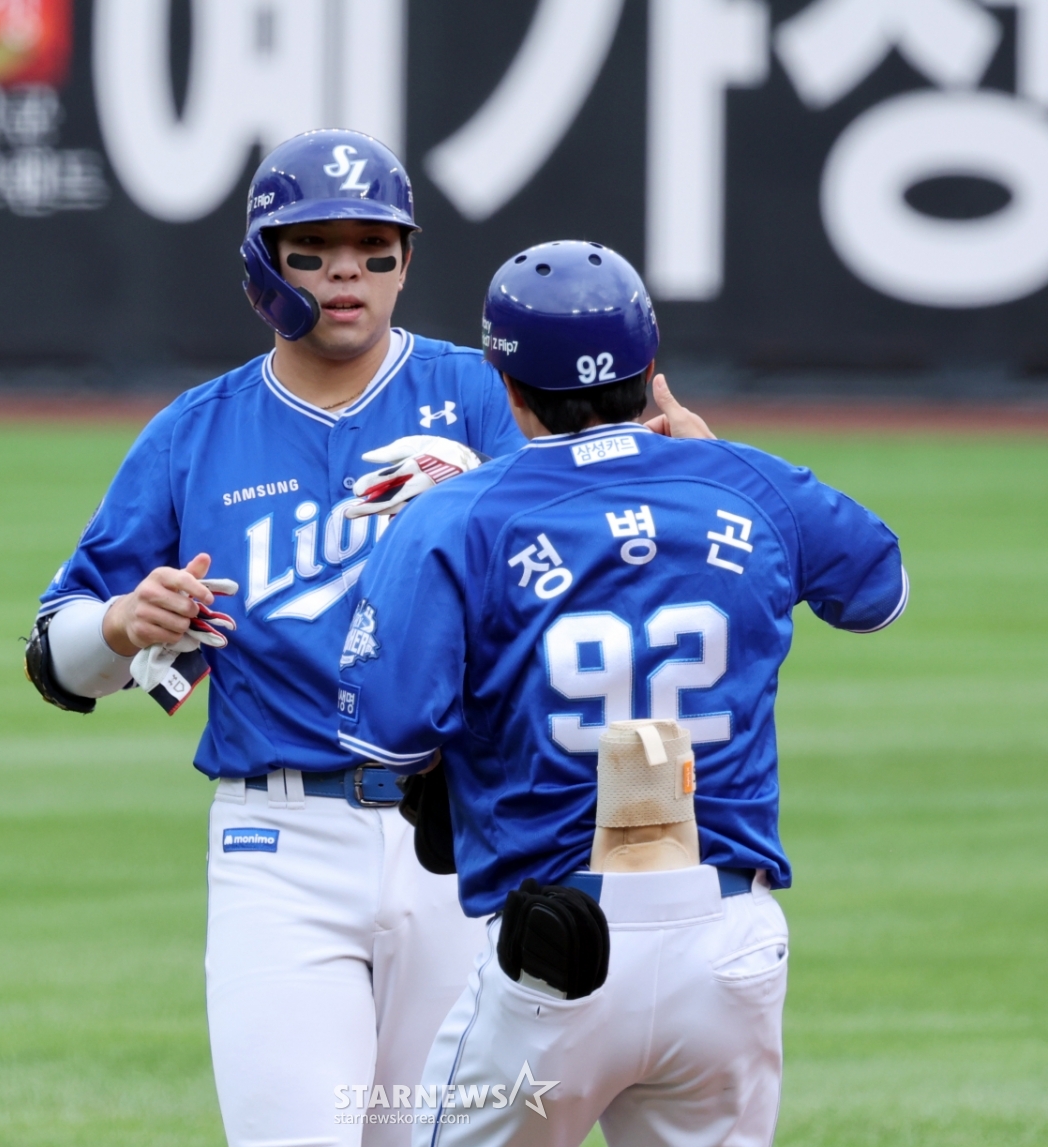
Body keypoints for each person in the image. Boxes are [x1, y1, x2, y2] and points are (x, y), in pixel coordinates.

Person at [22, 130, 712, 1147]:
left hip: (466, 838)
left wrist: (686, 475)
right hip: (278, 842)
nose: (347, 271)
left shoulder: (486, 395)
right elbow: (55, 658)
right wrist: (124, 623)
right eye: (315, 248)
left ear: (405, 261)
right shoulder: (195, 433)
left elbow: (625, 559)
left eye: (373, 248)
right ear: (265, 265)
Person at [336, 241, 909, 1146]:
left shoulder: (457, 515)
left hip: (556, 949)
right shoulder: (749, 484)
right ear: (650, 370)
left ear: (507, 385)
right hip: (731, 940)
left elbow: (388, 735)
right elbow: (879, 591)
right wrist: (722, 468)